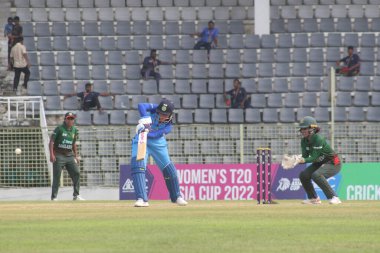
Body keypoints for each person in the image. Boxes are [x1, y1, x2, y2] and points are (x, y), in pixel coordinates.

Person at [130, 99, 188, 207]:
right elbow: (141, 105)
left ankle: (177, 197)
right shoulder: (156, 108)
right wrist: (144, 118)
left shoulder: (168, 125)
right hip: (142, 139)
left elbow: (157, 135)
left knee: (169, 169)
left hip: (158, 142)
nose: (161, 116)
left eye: (164, 114)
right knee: (138, 166)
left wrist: (146, 131)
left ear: (170, 114)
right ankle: (141, 199)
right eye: (160, 113)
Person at [294, 116, 342, 205]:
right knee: (303, 175)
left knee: (316, 175)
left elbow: (314, 158)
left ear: (312, 129)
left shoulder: (318, 139)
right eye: (302, 128)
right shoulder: (304, 141)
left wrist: (302, 160)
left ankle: (334, 197)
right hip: (320, 162)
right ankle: (313, 199)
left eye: (305, 128)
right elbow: (305, 156)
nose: (302, 131)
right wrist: (295, 160)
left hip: (333, 162)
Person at [49, 112, 84, 201]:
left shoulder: (75, 130)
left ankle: (76, 195)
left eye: (72, 119)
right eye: (69, 118)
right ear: (65, 119)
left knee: (76, 173)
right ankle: (54, 197)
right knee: (57, 176)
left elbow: (73, 144)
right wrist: (52, 154)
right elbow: (51, 142)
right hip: (59, 155)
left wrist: (76, 156)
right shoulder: (59, 129)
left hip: (70, 156)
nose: (70, 120)